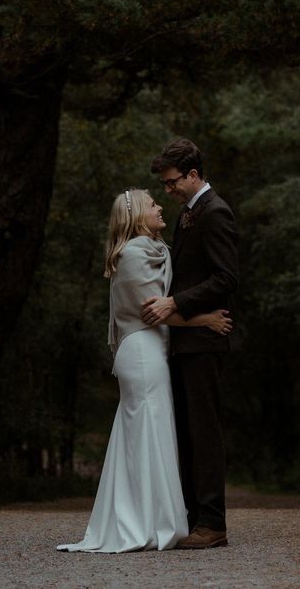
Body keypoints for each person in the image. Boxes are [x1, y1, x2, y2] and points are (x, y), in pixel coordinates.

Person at [57, 188, 232, 553]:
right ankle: (149, 522)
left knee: (152, 433)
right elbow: (155, 312)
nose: (160, 205)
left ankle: (154, 518)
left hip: (153, 348)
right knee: (149, 433)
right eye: (152, 203)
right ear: (137, 215)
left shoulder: (150, 250)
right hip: (141, 351)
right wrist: (207, 320)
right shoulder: (134, 256)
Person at [141, 138, 238, 550]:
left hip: (203, 342)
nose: (168, 190)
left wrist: (176, 303)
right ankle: (195, 518)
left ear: (193, 174)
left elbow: (225, 279)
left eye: (172, 182)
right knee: (187, 432)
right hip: (186, 339)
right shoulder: (189, 213)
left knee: (204, 432)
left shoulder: (215, 213)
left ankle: (213, 523)